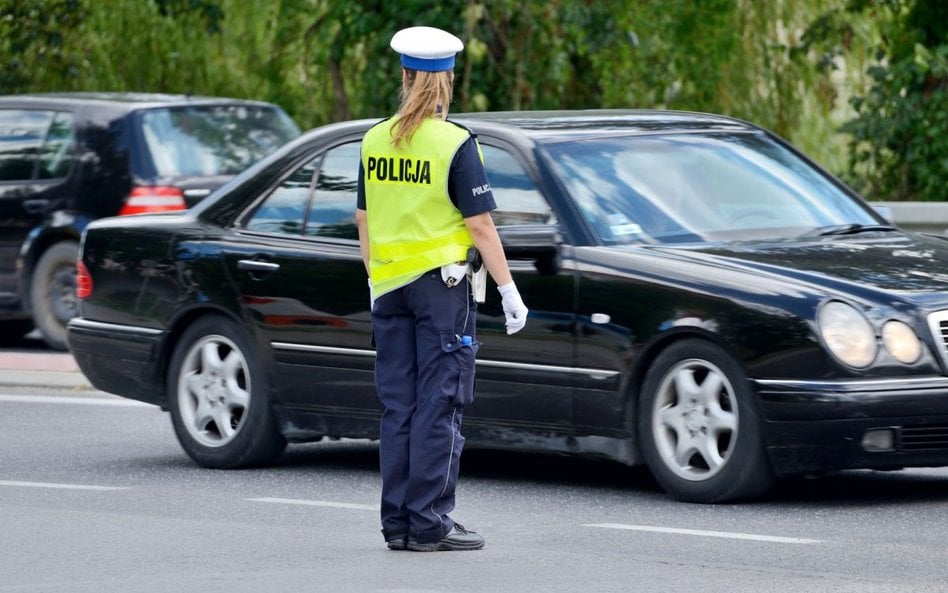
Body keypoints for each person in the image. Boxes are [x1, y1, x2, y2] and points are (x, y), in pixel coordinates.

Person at [355, 25, 528, 552]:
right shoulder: (455, 143)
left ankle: (398, 524)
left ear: (404, 76)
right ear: (447, 81)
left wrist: (374, 279)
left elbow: (363, 221)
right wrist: (509, 288)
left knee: (399, 407)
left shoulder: (373, 138)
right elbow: (480, 226)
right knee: (440, 403)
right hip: (442, 290)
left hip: (388, 288)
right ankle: (428, 522)